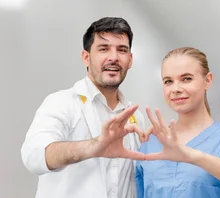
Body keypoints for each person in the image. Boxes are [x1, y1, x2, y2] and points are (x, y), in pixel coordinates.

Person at [21, 17, 151, 198]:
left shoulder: (136, 116)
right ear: (86, 57)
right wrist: (93, 146)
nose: (113, 57)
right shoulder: (61, 102)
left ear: (130, 60)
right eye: (103, 49)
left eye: (121, 50)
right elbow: (34, 156)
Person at [135, 47, 220, 197]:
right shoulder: (150, 144)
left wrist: (192, 156)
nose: (176, 89)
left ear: (207, 81)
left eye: (186, 79)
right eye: (168, 81)